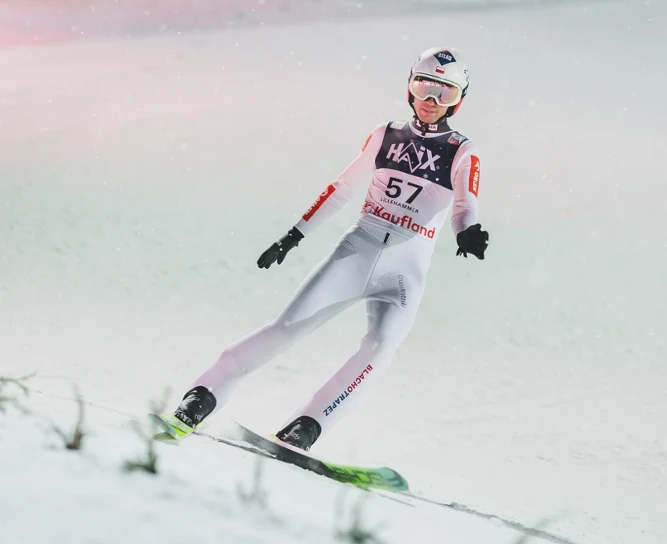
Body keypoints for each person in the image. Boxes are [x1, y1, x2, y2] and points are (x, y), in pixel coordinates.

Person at [154, 47, 489, 451]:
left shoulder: (462, 150)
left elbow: (465, 202)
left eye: (445, 93)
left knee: (380, 348)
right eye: (424, 87)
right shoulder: (386, 134)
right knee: (286, 328)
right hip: (357, 250)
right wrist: (294, 234)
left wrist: (467, 231)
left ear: (460, 100)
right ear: (409, 88)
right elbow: (342, 187)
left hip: (406, 268)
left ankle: (307, 427)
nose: (432, 101)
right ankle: (201, 397)